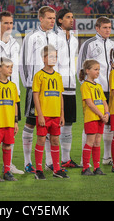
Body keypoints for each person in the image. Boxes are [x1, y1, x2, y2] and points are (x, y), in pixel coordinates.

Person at [19, 6, 59, 173]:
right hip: (34, 86)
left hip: (52, 88)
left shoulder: (56, 37)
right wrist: (29, 83)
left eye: (53, 18)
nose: (52, 21)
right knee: (31, 122)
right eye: (49, 18)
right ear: (40, 19)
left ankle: (50, 161)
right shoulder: (32, 37)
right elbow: (24, 62)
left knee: (51, 125)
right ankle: (28, 162)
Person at [76, 16, 114, 166]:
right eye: (104, 27)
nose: (107, 30)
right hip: (94, 90)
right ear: (97, 28)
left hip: (110, 89)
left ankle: (106, 157)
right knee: (91, 123)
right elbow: (81, 66)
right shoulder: (88, 44)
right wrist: (86, 85)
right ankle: (84, 160)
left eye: (109, 27)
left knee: (108, 122)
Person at [0, 11, 23, 175]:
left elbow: (17, 69)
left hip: (13, 92)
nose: (9, 26)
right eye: (6, 23)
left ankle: (8, 165)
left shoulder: (16, 43)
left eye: (11, 23)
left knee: (11, 131)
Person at [32, 45, 68, 180]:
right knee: (41, 140)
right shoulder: (39, 75)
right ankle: (39, 170)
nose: (54, 59)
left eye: (56, 57)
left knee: (55, 140)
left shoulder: (58, 76)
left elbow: (60, 96)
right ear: (44, 58)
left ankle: (57, 169)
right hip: (43, 114)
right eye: (51, 57)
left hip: (56, 115)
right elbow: (36, 95)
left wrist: (62, 114)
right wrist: (40, 114)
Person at [53, 8, 80, 169]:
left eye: (72, 17)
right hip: (58, 87)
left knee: (68, 123)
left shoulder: (75, 39)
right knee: (56, 124)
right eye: (68, 17)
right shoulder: (54, 38)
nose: (72, 19)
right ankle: (51, 161)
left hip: (71, 86)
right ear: (60, 20)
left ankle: (66, 159)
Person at [0, 57, 20, 182]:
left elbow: (15, 104)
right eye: (7, 67)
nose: (10, 69)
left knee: (7, 146)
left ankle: (7, 171)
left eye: (11, 67)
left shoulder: (12, 85)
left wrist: (15, 122)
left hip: (9, 122)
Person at [79, 59, 109, 176]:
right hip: (91, 117)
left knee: (97, 142)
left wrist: (107, 114)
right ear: (87, 71)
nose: (98, 72)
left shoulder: (98, 86)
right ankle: (85, 167)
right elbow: (90, 103)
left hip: (101, 118)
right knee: (90, 142)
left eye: (98, 70)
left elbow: (104, 102)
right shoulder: (85, 85)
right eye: (95, 69)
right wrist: (101, 115)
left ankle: (97, 167)